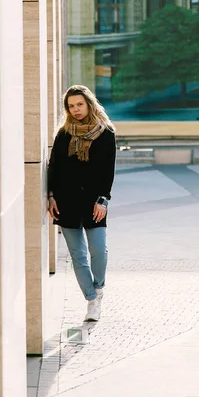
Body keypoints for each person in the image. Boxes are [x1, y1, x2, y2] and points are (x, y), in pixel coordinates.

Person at [48, 85, 116, 322]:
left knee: (99, 251)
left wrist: (102, 200)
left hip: (94, 203)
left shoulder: (106, 133)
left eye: (79, 104)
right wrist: (51, 196)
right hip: (66, 202)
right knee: (77, 255)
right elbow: (53, 167)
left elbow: (108, 172)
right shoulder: (63, 134)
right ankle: (91, 300)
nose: (75, 110)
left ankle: (98, 289)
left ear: (89, 103)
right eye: (71, 106)